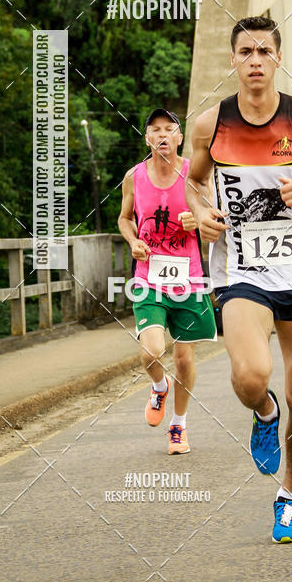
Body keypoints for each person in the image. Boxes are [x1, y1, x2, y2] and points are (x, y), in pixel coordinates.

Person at [186, 15, 292, 544]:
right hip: (242, 271)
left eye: (264, 51)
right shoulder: (210, 124)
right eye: (245, 52)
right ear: (233, 60)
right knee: (250, 376)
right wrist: (203, 213)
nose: (255, 60)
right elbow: (191, 186)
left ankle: (289, 500)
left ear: (278, 59)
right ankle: (263, 413)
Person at [118, 107, 217, 455]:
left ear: (179, 137)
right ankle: (159, 386)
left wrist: (199, 221)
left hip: (188, 278)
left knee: (186, 361)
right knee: (152, 352)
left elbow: (214, 218)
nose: (162, 135)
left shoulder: (195, 173)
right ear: (147, 138)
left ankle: (178, 426)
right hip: (149, 278)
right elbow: (124, 218)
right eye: (155, 130)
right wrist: (133, 241)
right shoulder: (134, 177)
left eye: (169, 129)